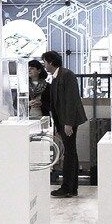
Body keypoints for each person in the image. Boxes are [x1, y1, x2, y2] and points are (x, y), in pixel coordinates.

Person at [41, 50, 87, 197]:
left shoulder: (67, 75)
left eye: (45, 62)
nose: (44, 65)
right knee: (70, 152)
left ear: (51, 62)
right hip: (63, 121)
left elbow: (71, 100)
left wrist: (68, 123)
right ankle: (71, 188)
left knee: (69, 153)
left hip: (68, 121)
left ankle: (67, 187)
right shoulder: (56, 77)